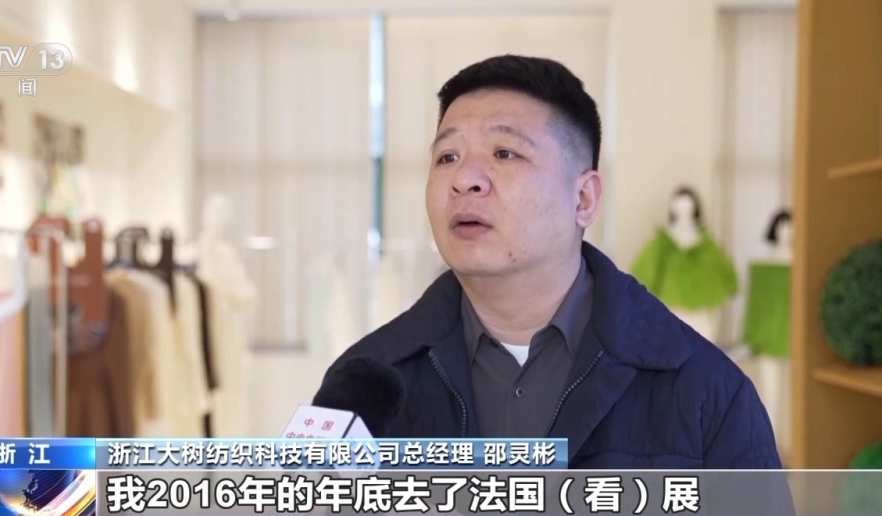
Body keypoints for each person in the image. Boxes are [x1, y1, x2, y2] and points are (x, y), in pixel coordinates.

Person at [322, 55, 782, 469]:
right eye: (447, 156)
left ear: (583, 199)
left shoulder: (709, 396)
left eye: (504, 153)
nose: (464, 179)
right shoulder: (363, 383)